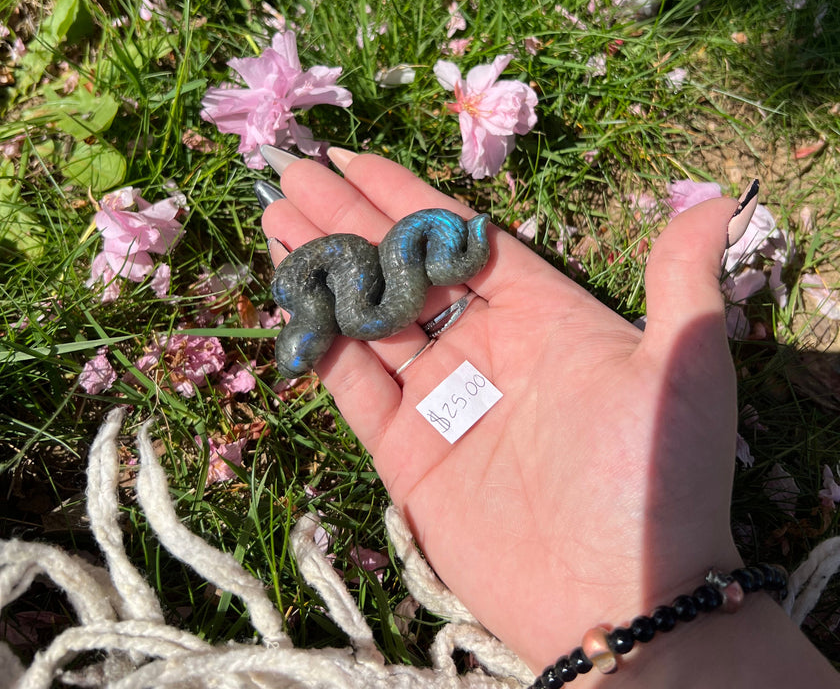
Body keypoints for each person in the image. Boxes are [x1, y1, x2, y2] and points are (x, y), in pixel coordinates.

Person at [258, 144, 840, 687]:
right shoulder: (320, 298)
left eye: (304, 353)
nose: (308, 363)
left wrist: (664, 586)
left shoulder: (343, 296)